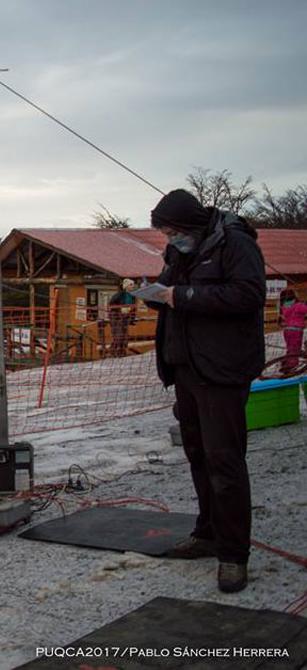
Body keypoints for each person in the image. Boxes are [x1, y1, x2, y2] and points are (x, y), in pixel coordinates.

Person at [145, 189, 265, 594]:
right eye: (164, 233)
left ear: (192, 224)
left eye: (172, 231)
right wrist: (151, 295)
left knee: (225, 461)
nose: (169, 239)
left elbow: (248, 295)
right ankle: (208, 532)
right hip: (186, 369)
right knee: (198, 454)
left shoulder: (236, 244)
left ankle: (234, 555)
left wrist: (182, 296)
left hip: (222, 370)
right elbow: (167, 291)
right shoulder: (180, 252)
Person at [107, 279, 138, 357]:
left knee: (124, 335)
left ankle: (121, 352)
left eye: (133, 285)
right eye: (131, 285)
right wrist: (120, 309)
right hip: (116, 316)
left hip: (125, 316)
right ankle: (113, 352)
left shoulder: (132, 296)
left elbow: (133, 307)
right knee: (118, 335)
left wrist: (132, 319)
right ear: (126, 286)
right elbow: (111, 304)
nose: (132, 287)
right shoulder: (119, 295)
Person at [278, 289, 307, 373]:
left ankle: (286, 362)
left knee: (290, 347)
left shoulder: (284, 306)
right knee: (294, 348)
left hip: (287, 330)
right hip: (296, 330)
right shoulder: (299, 305)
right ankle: (290, 366)